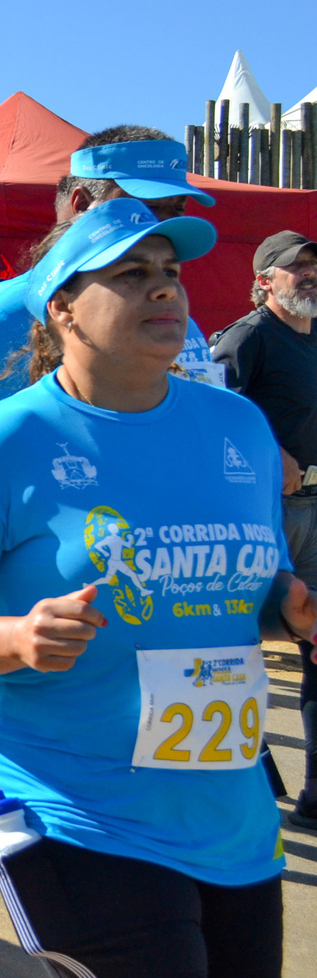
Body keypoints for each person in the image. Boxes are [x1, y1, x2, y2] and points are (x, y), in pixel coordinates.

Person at [0, 198, 306, 978]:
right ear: (63, 308)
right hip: (70, 802)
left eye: (171, 274)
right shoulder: (7, 439)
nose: (165, 290)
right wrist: (10, 639)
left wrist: (291, 607)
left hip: (227, 813)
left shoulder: (238, 427)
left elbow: (247, 591)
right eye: (132, 273)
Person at [214, 229, 317, 829]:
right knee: (235, 646)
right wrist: (265, 450)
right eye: (293, 266)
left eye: (313, 265)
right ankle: (235, 781)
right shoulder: (246, 339)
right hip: (262, 517)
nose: (307, 273)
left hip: (315, 510)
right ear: (263, 280)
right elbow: (209, 419)